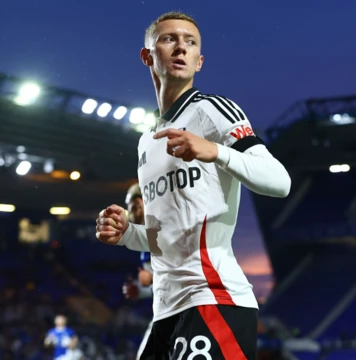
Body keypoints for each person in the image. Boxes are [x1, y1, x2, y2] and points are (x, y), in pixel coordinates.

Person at [96, 11, 291, 359]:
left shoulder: (213, 112)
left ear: (199, 61)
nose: (180, 48)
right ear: (147, 56)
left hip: (213, 298)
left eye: (190, 42)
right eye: (169, 39)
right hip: (165, 312)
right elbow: (165, 236)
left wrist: (215, 151)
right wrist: (127, 232)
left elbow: (280, 181)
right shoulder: (146, 143)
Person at [121, 183, 155, 359]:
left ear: (139, 204)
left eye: (129, 205)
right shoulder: (145, 236)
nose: (128, 211)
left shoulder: (158, 229)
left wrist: (152, 278)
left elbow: (186, 268)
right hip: (166, 308)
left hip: (183, 309)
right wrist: (140, 290)